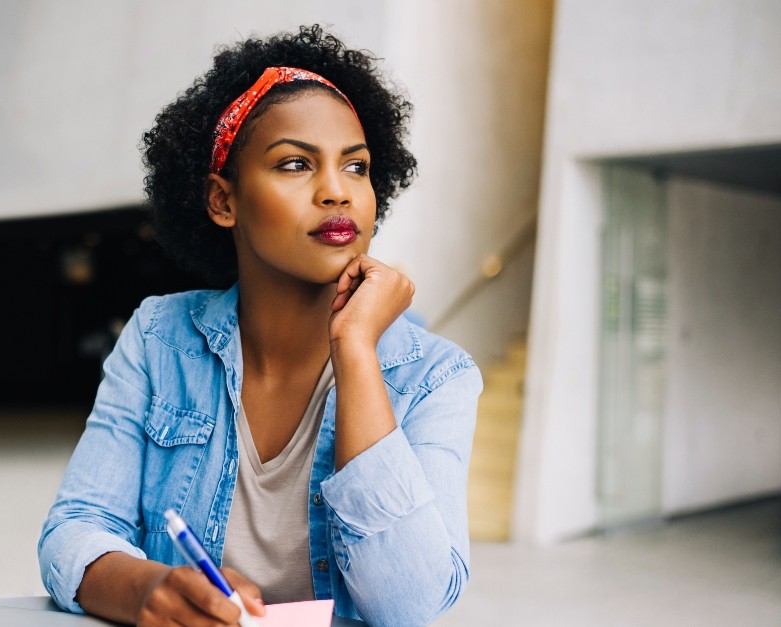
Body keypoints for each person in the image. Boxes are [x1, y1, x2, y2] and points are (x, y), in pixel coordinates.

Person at [39, 25, 482, 627]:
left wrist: (355, 352)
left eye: (357, 167)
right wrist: (148, 588)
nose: (336, 192)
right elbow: (75, 530)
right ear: (223, 201)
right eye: (296, 164)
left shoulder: (437, 376)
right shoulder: (158, 339)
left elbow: (408, 605)